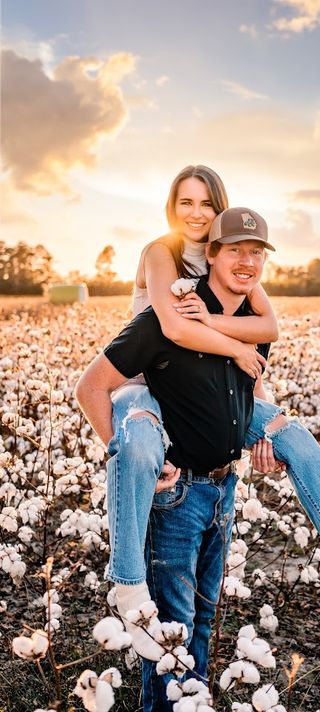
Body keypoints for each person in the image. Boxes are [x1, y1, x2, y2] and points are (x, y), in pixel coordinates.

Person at [76, 171, 320, 644]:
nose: (197, 214)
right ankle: (127, 586)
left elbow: (267, 327)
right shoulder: (161, 254)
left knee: (294, 436)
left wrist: (258, 418)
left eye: (207, 205)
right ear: (171, 208)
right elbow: (174, 327)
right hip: (141, 381)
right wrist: (235, 349)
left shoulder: (229, 266)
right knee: (139, 445)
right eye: (186, 203)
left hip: (201, 400)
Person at [76, 211, 273, 710]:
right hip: (179, 494)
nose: (246, 262)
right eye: (235, 251)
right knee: (173, 629)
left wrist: (262, 435)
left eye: (256, 253)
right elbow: (91, 386)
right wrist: (130, 459)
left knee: (202, 621)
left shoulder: (250, 329)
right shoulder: (166, 320)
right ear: (211, 254)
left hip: (224, 490)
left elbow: (245, 394)